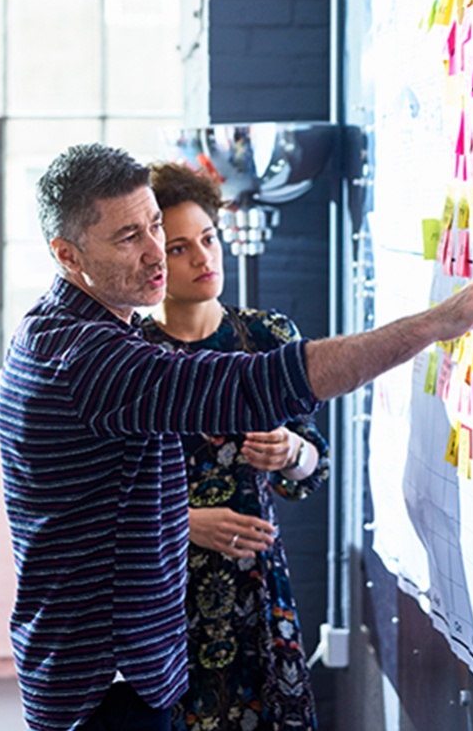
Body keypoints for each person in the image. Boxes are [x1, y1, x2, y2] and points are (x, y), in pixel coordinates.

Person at [0, 142, 473, 731]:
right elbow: (266, 381)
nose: (156, 256)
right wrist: (433, 323)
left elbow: (114, 500)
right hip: (107, 679)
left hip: (124, 663)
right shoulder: (87, 356)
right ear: (66, 255)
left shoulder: (80, 330)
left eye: (154, 228)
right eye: (129, 238)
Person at [141, 162, 326, 730]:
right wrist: (187, 521)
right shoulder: (131, 354)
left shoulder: (268, 337)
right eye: (179, 248)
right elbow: (105, 497)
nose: (204, 258)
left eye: (209, 238)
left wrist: (290, 451)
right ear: (149, 260)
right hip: (164, 591)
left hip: (256, 588)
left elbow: (313, 466)